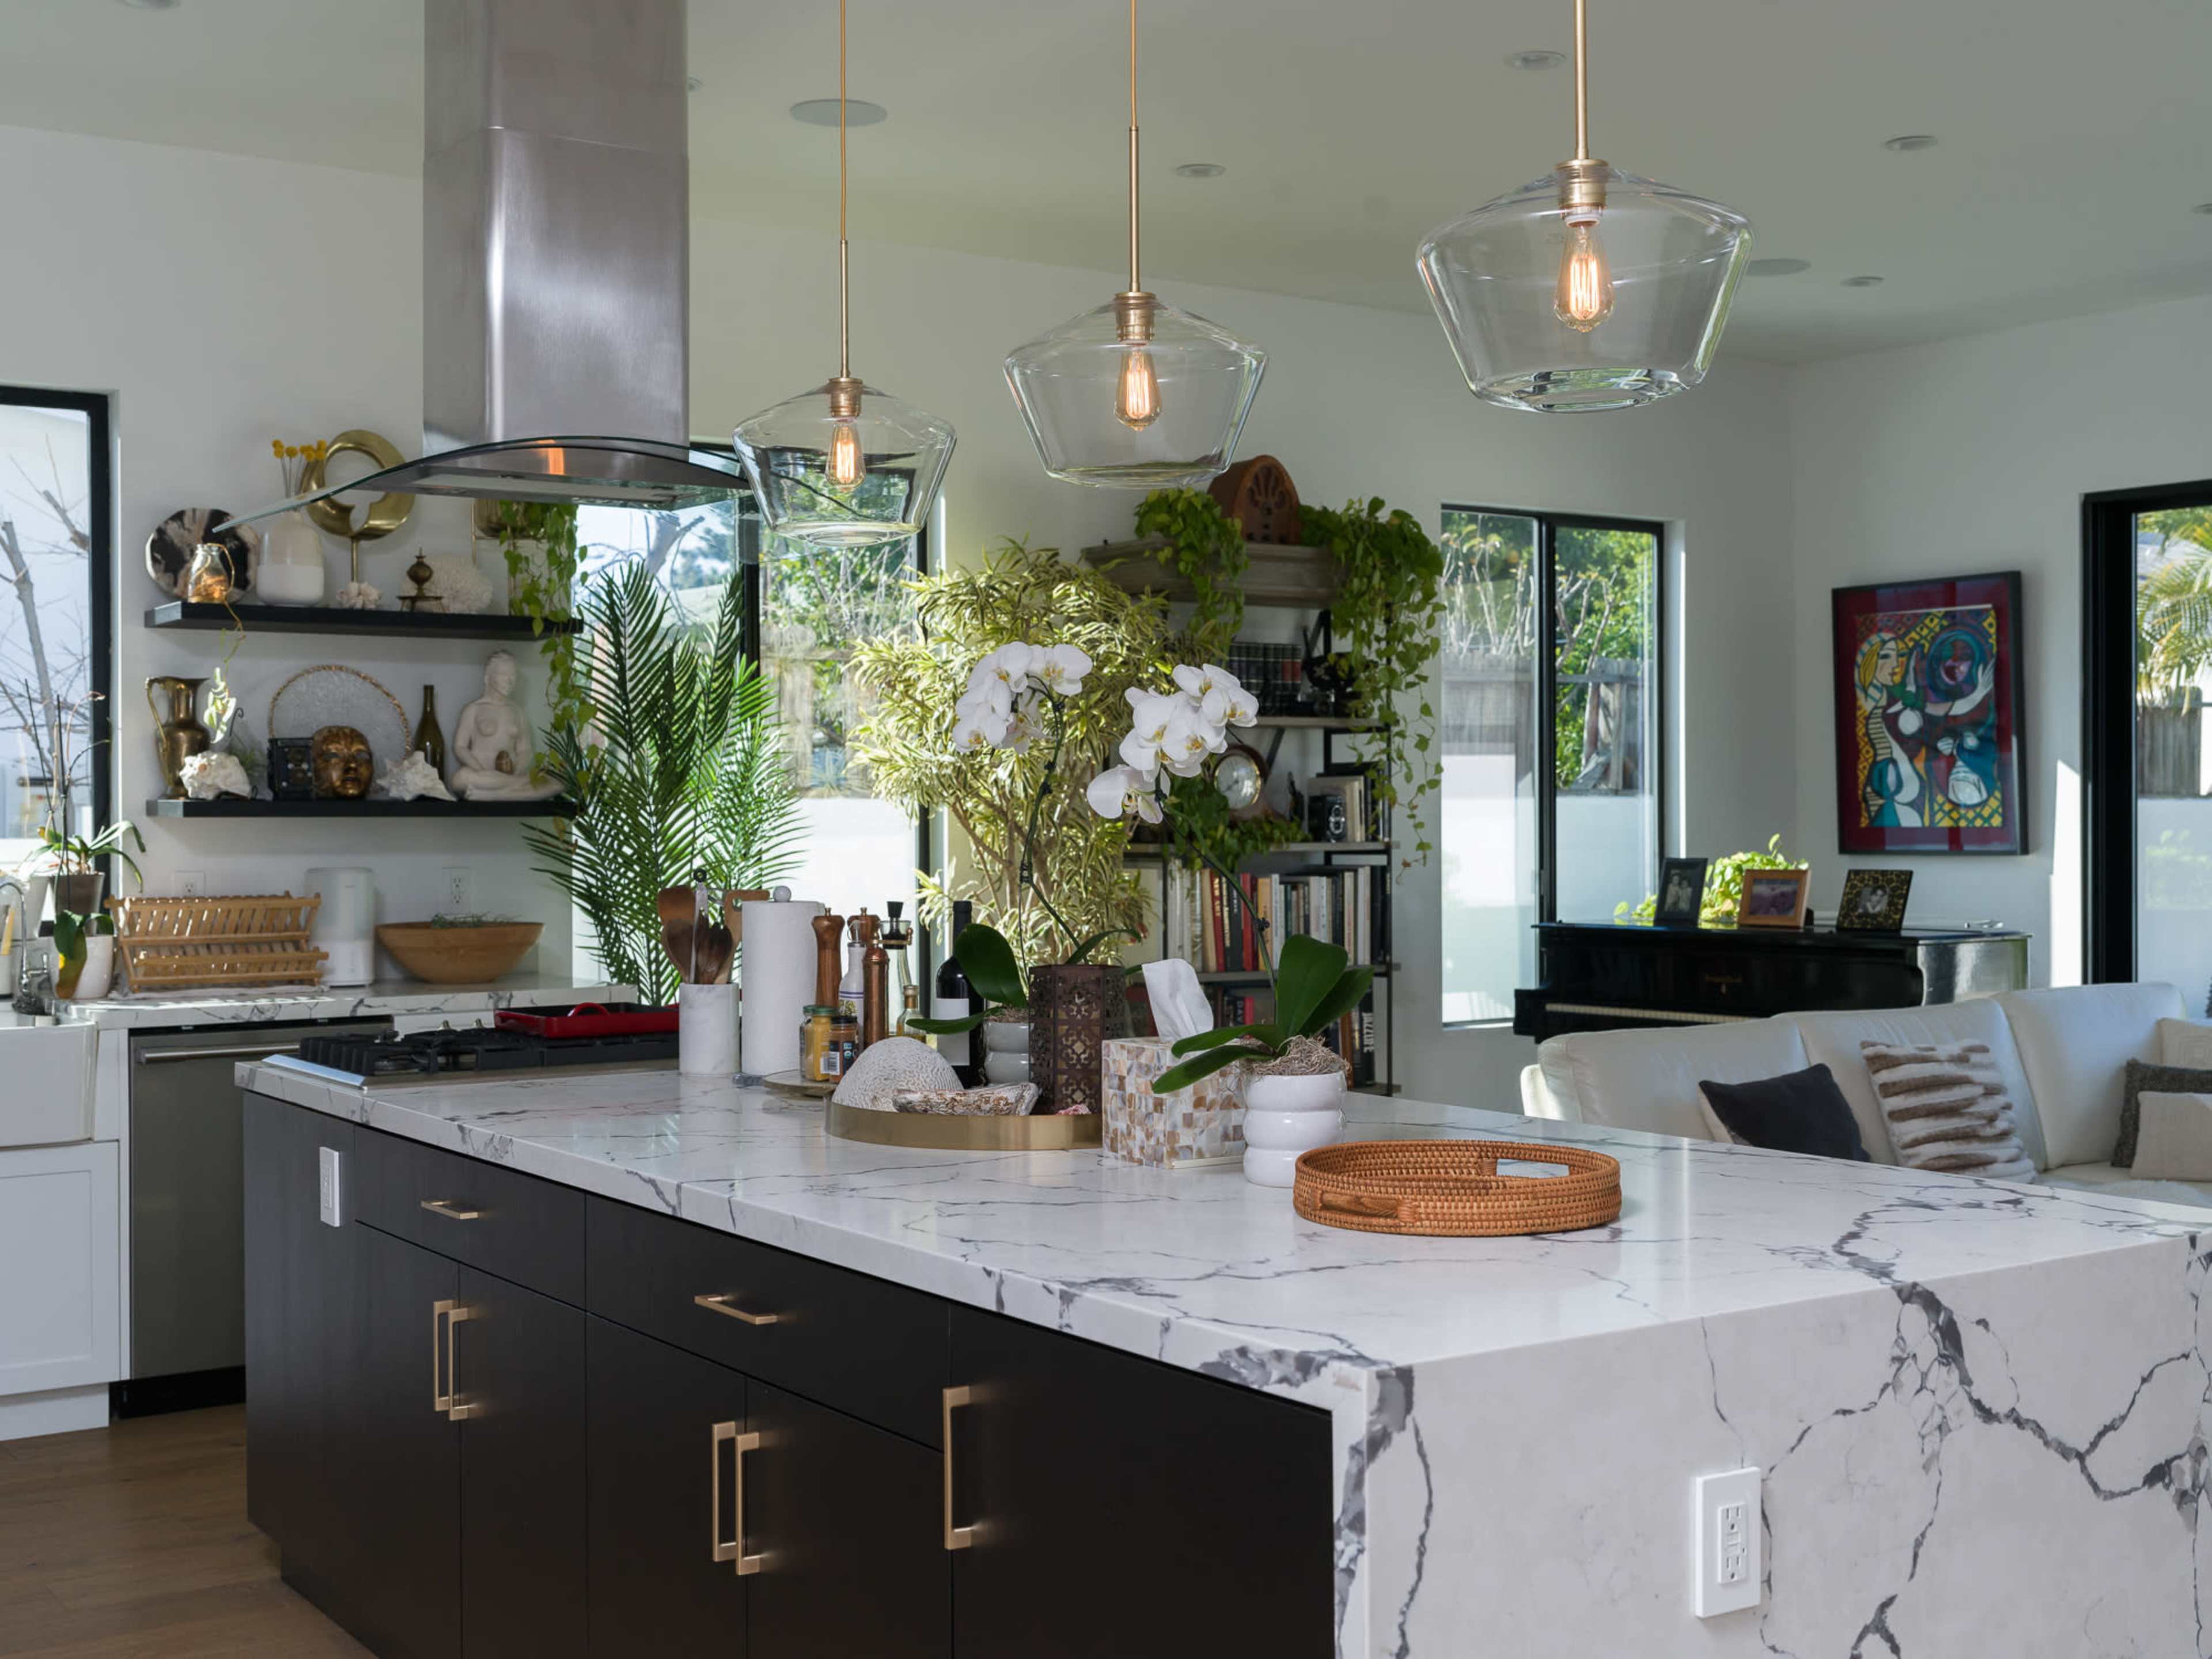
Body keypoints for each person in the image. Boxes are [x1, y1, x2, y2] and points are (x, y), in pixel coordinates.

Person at [448, 650, 562, 801]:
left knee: (557, 784)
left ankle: (492, 795)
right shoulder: (474, 709)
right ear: (489, 677)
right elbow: (460, 747)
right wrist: (481, 771)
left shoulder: (517, 712)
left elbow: (525, 750)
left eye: (513, 675)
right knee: (459, 779)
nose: (510, 681)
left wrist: (518, 771)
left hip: (508, 776)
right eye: (504, 675)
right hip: (482, 776)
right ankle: (515, 787)